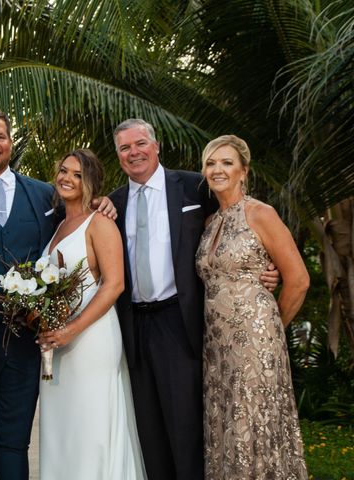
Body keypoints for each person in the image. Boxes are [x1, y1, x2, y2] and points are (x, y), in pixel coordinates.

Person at [0, 109, 115, 480]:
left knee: (14, 441)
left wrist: (103, 202)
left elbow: (79, 218)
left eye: (0, 136)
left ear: (11, 143)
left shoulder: (44, 195)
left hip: (26, 338)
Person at [108, 119, 279, 480]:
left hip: (179, 322)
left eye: (140, 144)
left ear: (155, 147)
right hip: (134, 326)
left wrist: (268, 268)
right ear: (119, 156)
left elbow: (239, 220)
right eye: (125, 148)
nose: (133, 152)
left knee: (185, 430)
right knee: (148, 431)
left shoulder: (192, 186)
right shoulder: (113, 203)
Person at [195, 135, 309, 478]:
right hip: (217, 346)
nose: (218, 169)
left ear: (243, 171)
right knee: (226, 422)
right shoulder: (210, 222)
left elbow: (299, 280)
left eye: (227, 163)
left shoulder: (261, 214)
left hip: (255, 345)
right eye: (211, 163)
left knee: (253, 423)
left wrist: (271, 328)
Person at [37, 149, 146, 479]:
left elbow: (114, 285)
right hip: (56, 343)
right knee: (62, 426)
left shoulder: (100, 223)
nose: (67, 179)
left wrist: (71, 329)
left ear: (92, 184)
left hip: (91, 338)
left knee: (91, 423)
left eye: (77, 175)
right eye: (64, 171)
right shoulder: (57, 225)